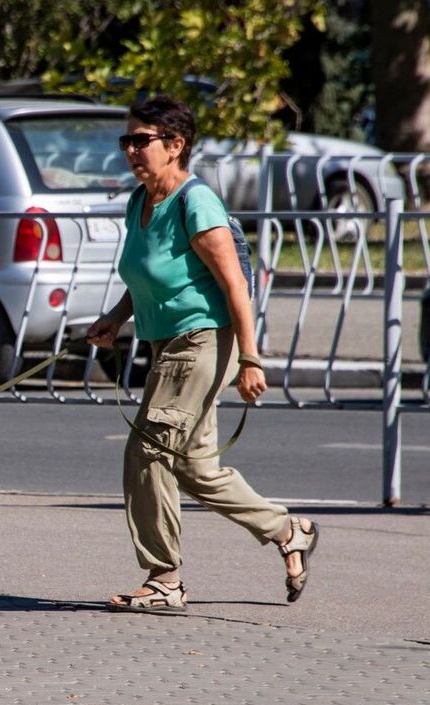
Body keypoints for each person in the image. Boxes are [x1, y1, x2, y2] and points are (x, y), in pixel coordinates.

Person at [86, 95, 320, 613]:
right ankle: (289, 529)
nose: (131, 150)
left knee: (148, 450)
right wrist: (116, 317)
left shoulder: (197, 203)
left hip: (201, 340)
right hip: (164, 343)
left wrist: (251, 360)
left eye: (142, 140)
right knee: (194, 466)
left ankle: (164, 578)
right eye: (127, 140)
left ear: (176, 145)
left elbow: (235, 285)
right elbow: (147, 276)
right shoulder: (139, 201)